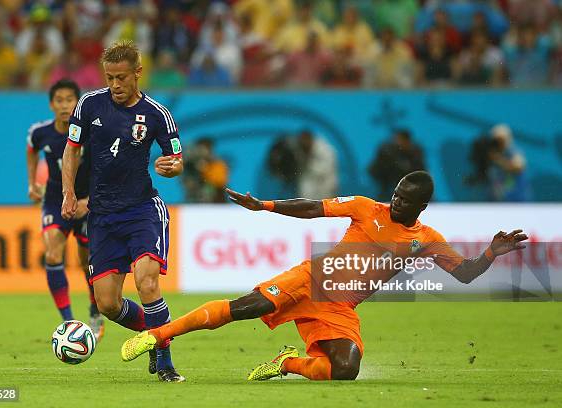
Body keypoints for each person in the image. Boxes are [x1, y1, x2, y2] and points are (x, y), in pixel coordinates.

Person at [120, 171, 528, 381]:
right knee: (247, 307)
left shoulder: (428, 239)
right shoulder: (368, 207)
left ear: (422, 205)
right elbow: (313, 207)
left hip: (340, 308)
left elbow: (466, 275)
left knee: (346, 371)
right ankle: (155, 336)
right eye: (396, 193)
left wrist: (491, 252)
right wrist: (264, 205)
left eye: (405, 199)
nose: (396, 200)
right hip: (313, 278)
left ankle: (287, 364)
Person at [60, 40, 185, 382]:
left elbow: (176, 159)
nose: (115, 84)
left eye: (121, 77)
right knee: (108, 305)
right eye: (109, 77)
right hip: (102, 216)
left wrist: (171, 168)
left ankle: (164, 360)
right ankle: (157, 331)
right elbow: (71, 151)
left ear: (137, 74)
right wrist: (68, 193)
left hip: (143, 210)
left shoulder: (158, 114)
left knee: (147, 284)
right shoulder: (89, 105)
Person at [26, 79, 104, 339]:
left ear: (77, 103)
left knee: (87, 263)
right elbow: (31, 148)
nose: (64, 105)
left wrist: (89, 201)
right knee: (52, 253)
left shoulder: (91, 133)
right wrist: (31, 184)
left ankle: (95, 310)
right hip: (54, 200)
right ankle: (70, 323)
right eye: (58, 100)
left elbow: (104, 170)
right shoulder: (41, 132)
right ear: (51, 104)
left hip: (85, 202)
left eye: (69, 100)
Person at [369, 129, 425, 201]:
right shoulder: (388, 151)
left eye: (401, 140)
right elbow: (379, 169)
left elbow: (419, 170)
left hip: (403, 180)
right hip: (385, 178)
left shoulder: (415, 151)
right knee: (385, 194)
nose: (399, 142)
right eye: (397, 139)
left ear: (408, 140)